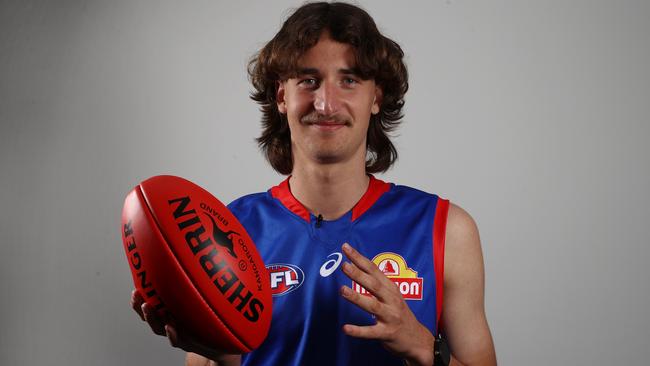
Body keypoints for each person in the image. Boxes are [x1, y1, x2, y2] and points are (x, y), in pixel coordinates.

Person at [130, 2, 496, 365]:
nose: (324, 103)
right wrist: (218, 353)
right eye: (308, 81)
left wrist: (424, 348)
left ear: (376, 97)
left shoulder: (445, 230)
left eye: (349, 80)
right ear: (281, 97)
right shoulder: (229, 229)